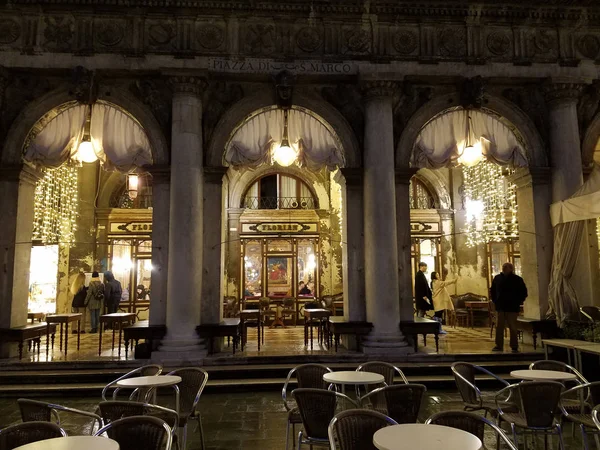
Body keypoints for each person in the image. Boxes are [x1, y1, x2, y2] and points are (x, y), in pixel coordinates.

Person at [490, 262, 527, 353]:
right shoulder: (497, 278)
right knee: (499, 327)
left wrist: (518, 301)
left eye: (506, 267)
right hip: (500, 306)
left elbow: (523, 292)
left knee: (513, 327)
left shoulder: (517, 279)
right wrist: (496, 301)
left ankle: (514, 346)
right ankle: (498, 345)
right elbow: (493, 291)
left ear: (511, 269)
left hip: (512, 307)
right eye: (503, 267)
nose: (503, 268)